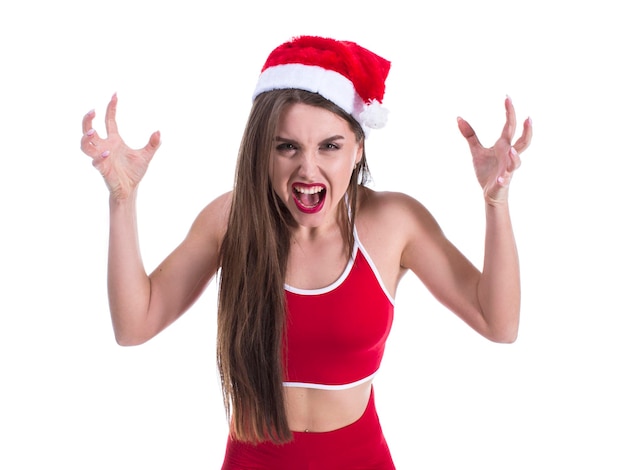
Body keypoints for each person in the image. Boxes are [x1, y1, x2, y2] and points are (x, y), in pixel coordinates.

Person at [80, 35, 532, 469]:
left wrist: (496, 203)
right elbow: (134, 326)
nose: (307, 168)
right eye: (287, 147)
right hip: (254, 461)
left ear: (358, 148)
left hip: (362, 459)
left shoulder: (394, 223)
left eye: (330, 147)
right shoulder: (231, 219)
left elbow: (499, 323)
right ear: (263, 150)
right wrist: (122, 200)